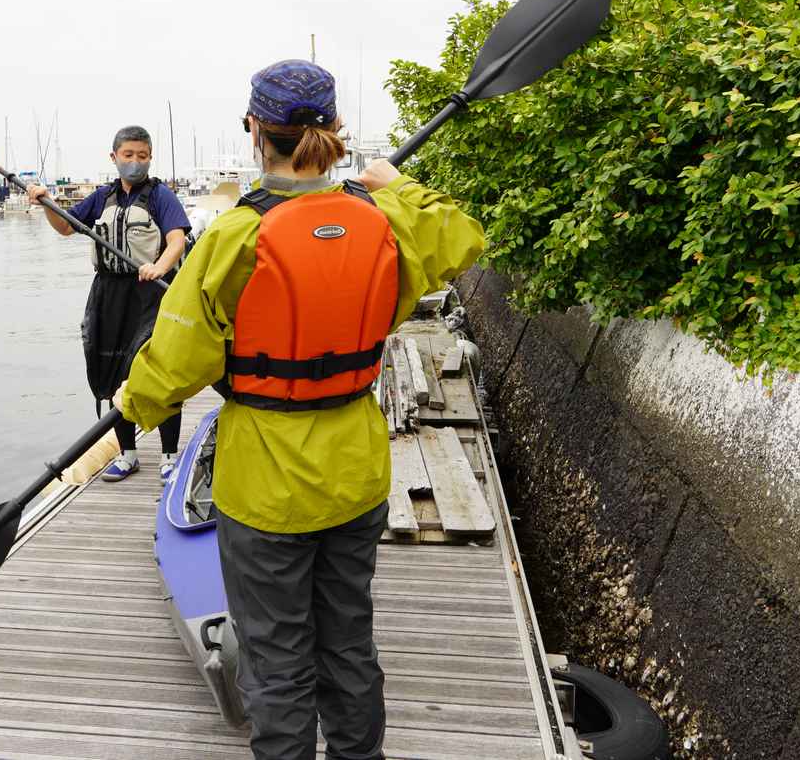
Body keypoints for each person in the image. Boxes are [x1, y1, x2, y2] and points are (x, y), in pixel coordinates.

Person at [116, 59, 486, 760]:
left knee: (276, 656)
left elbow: (179, 354)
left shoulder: (234, 235)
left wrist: (130, 406)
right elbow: (462, 237)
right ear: (335, 131)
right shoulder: (383, 220)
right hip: (355, 472)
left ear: (256, 130)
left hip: (264, 486)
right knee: (347, 640)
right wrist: (394, 183)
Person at [28, 125, 191, 482]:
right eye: (128, 155)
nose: (135, 162)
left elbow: (177, 241)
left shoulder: (161, 196)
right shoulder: (103, 197)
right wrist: (45, 204)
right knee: (114, 376)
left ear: (150, 158)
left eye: (143, 156)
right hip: (108, 294)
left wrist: (158, 266)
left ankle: (168, 457)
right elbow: (65, 227)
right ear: (114, 157)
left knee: (155, 373)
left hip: (151, 293)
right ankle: (128, 454)